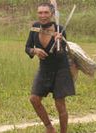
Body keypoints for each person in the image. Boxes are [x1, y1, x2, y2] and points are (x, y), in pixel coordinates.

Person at [25, 2, 75, 133]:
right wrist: (34, 51)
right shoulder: (35, 28)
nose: (43, 15)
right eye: (40, 12)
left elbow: (61, 54)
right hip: (44, 69)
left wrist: (59, 41)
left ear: (52, 14)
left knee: (59, 103)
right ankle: (49, 127)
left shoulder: (60, 29)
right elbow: (27, 48)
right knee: (34, 99)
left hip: (61, 69)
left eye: (46, 12)